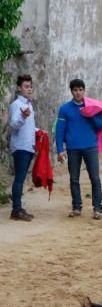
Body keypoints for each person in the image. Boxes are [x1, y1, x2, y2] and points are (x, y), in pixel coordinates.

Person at [56, 79, 102, 219]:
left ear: (84, 90)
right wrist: (60, 149)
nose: (78, 93)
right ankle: (76, 207)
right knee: (74, 179)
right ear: (71, 91)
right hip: (73, 149)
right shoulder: (65, 109)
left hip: (90, 146)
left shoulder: (92, 106)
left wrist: (91, 115)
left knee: (95, 178)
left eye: (80, 90)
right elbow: (60, 131)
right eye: (75, 90)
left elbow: (100, 126)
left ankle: (98, 208)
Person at [9, 75, 35, 221]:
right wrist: (23, 117)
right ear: (19, 88)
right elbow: (13, 125)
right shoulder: (16, 105)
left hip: (28, 146)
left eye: (30, 86)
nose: (29, 89)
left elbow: (28, 128)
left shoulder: (29, 104)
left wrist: (38, 132)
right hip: (20, 147)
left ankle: (18, 208)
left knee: (22, 178)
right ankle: (16, 210)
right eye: (26, 86)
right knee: (19, 179)